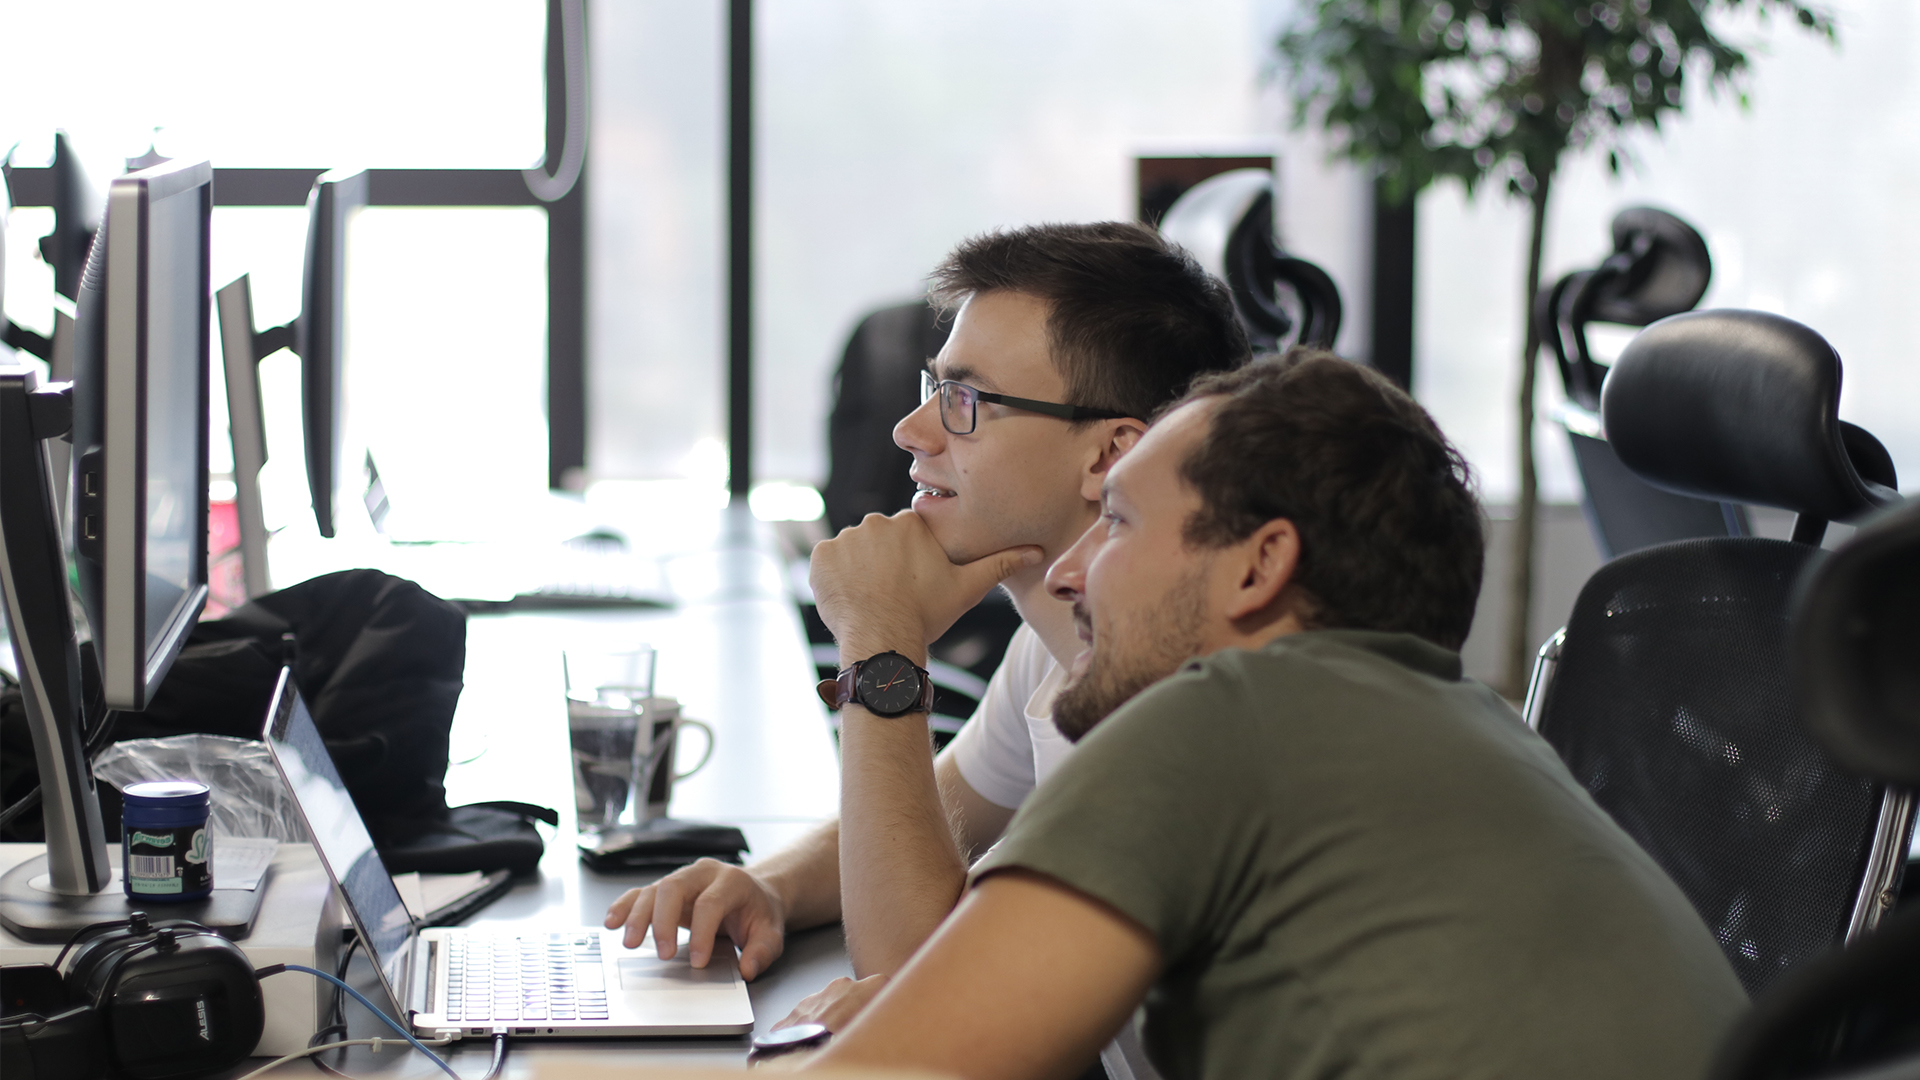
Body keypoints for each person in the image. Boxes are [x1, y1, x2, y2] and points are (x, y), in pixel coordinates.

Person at [782, 351, 1748, 1080]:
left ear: (1259, 565)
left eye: (1117, 522)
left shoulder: (1226, 718)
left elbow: (897, 1069)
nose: (1069, 573)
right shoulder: (1464, 736)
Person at [604, 224, 1248, 996]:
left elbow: (919, 986)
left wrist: (881, 640)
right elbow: (935, 810)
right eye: (933, 388)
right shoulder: (1052, 645)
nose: (910, 432)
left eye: (965, 400)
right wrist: (768, 886)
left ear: (1111, 456)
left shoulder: (1168, 699)